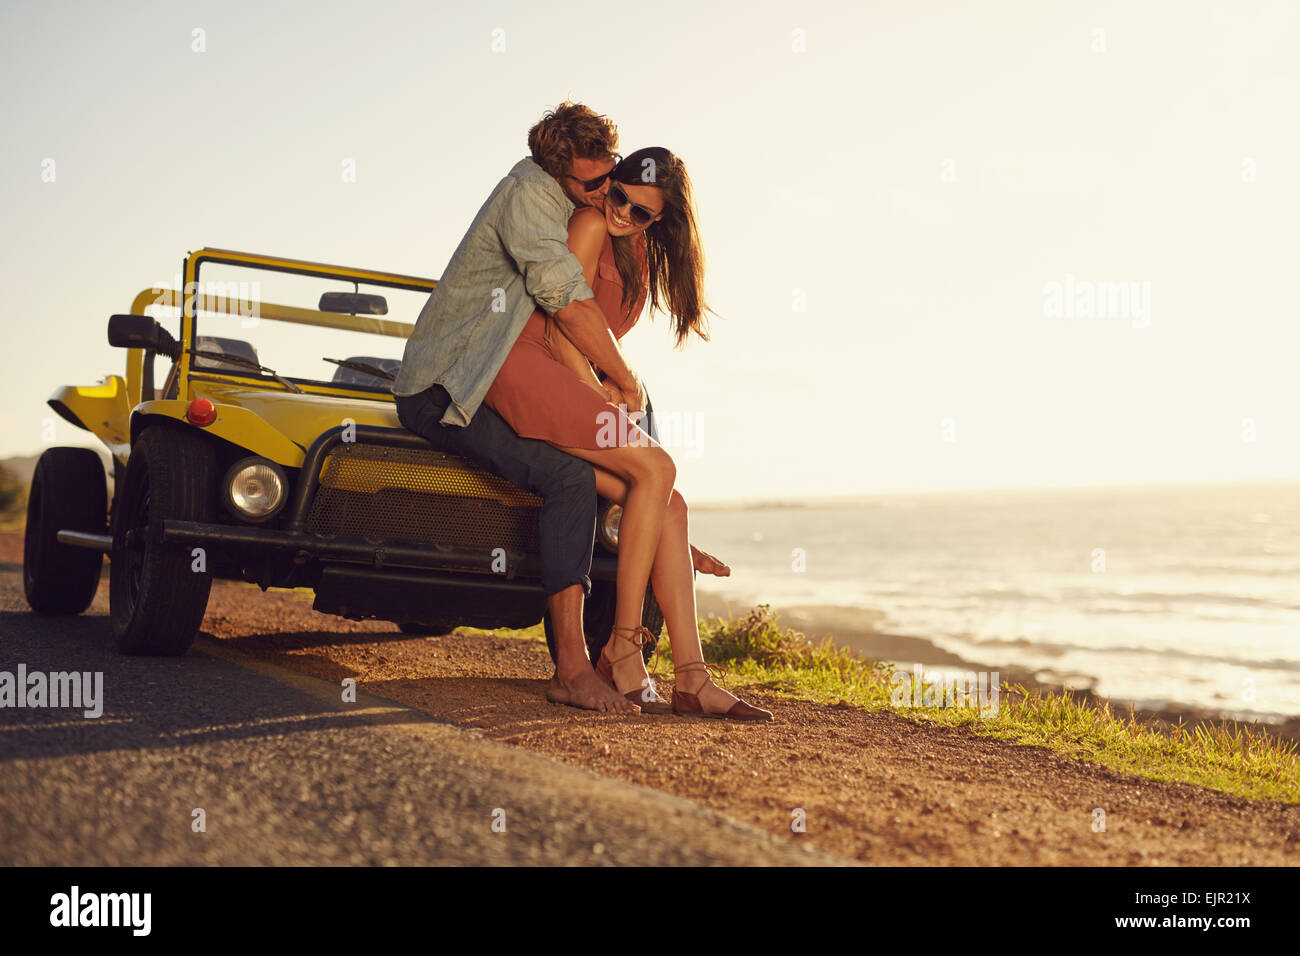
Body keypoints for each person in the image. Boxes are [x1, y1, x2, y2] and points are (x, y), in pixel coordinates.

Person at [482, 147, 773, 721]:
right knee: (658, 469)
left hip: (570, 378)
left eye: (639, 212)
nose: (621, 212)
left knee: (671, 506)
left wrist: (609, 387)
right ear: (609, 185)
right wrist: (607, 391)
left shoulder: (638, 252)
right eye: (618, 195)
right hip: (529, 368)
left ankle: (691, 676)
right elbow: (565, 326)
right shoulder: (589, 224)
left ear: (659, 220)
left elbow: (599, 336)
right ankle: (623, 644)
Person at [392, 101, 640, 714]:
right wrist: (624, 380)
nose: (605, 191)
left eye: (610, 174)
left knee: (616, 458)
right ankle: (572, 670)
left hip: (492, 376)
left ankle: (634, 625)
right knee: (568, 475)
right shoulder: (530, 196)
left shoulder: (570, 202)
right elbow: (564, 298)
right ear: (555, 170)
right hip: (446, 388)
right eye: (593, 182)